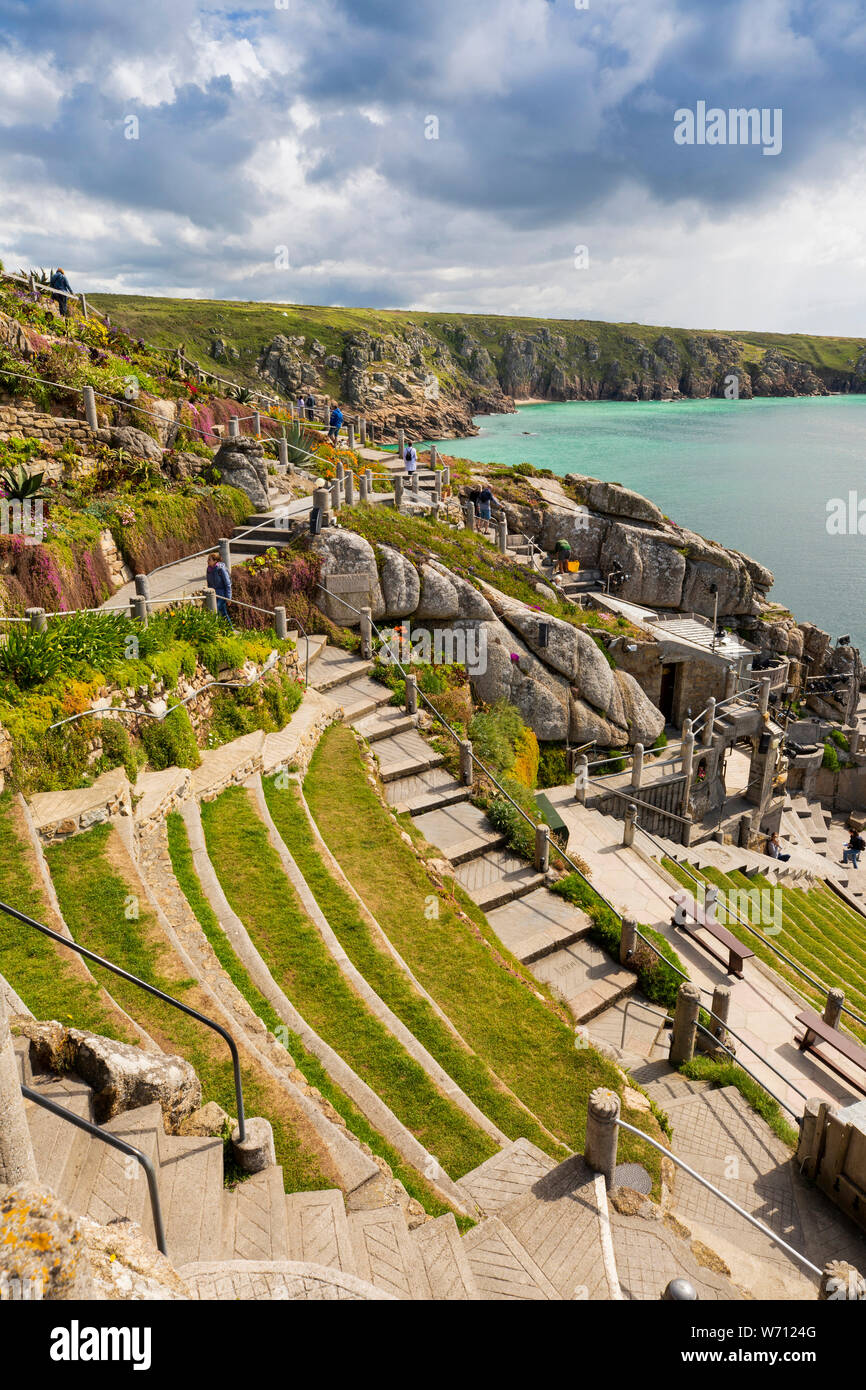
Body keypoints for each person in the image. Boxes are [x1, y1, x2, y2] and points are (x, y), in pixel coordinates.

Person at [206, 551, 233, 623]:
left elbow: (228, 584)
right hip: (213, 595)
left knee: (215, 611)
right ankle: (230, 629)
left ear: (215, 561)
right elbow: (209, 583)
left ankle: (219, 628)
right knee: (223, 613)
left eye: (209, 559)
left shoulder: (221, 569)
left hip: (222, 595)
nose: (207, 561)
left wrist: (229, 598)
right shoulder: (209, 569)